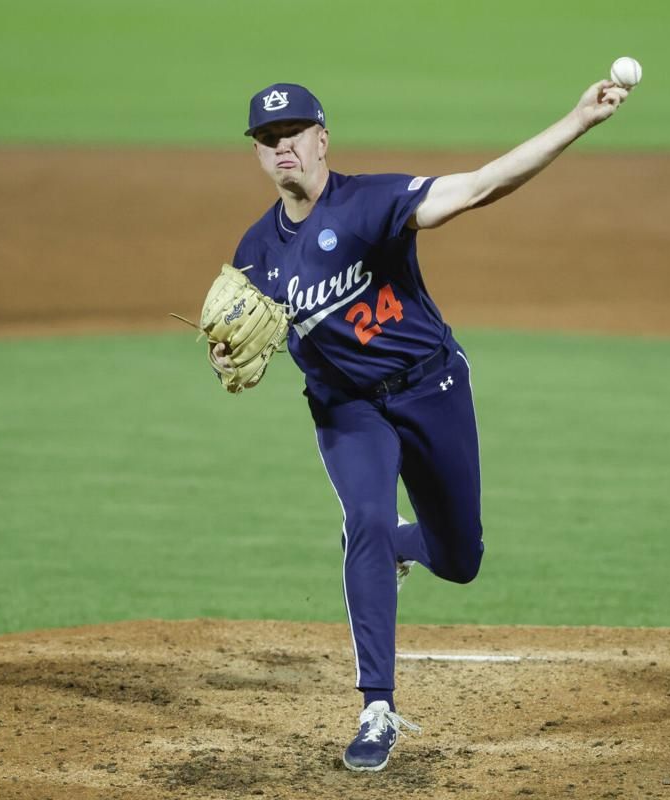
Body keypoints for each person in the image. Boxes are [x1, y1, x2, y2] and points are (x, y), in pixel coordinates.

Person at [215, 76, 631, 772]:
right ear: (258, 154)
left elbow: (477, 188)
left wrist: (577, 121)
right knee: (367, 520)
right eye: (266, 139)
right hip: (348, 412)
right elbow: (237, 337)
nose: (281, 147)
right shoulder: (255, 252)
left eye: (293, 134)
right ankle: (376, 706)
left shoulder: (371, 201)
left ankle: (398, 545)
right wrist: (222, 351)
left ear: (322, 139)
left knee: (461, 559)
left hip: (432, 388)